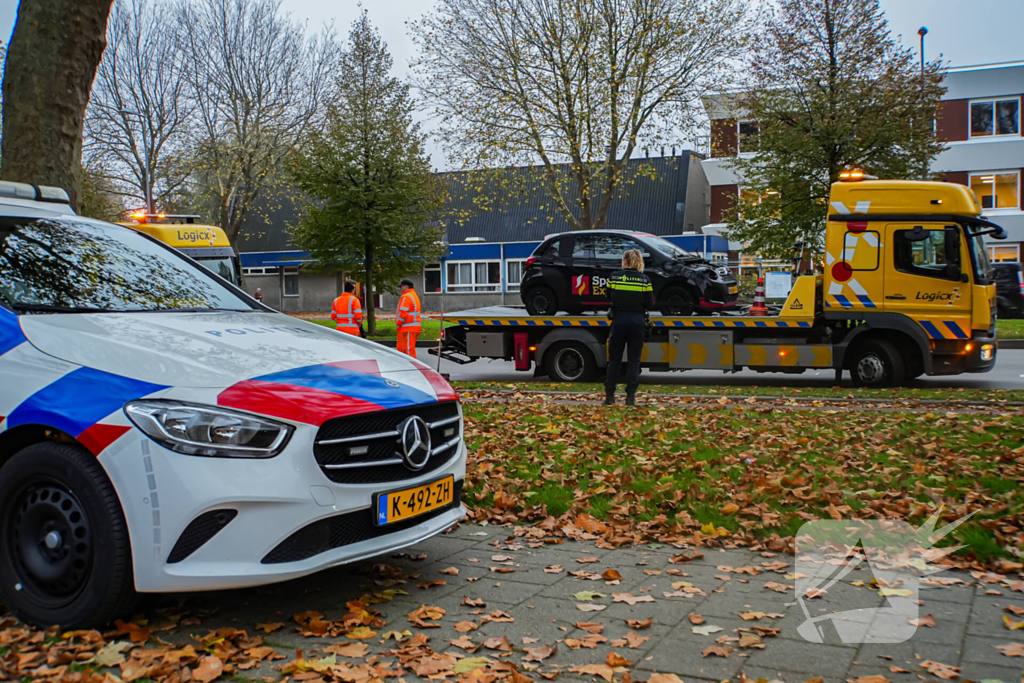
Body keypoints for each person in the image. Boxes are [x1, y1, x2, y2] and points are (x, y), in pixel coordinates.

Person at [604, 249, 653, 406]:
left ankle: (610, 396)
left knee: (614, 360)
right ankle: (630, 397)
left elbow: (608, 295)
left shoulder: (614, 277)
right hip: (637, 321)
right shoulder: (645, 280)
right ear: (639, 261)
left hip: (618, 321)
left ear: (624, 261)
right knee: (634, 360)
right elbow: (650, 304)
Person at [396, 278, 422, 357]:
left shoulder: (406, 297)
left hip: (407, 328)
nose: (400, 289)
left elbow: (403, 314)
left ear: (405, 286)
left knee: (407, 350)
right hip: (413, 327)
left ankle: (411, 367)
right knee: (409, 349)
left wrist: (398, 324)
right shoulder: (414, 295)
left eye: (401, 287)